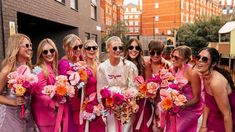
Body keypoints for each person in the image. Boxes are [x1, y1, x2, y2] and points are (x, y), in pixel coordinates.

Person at [97, 36, 138, 132]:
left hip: (126, 107)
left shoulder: (129, 66)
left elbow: (134, 87)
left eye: (120, 48)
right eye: (115, 48)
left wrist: (128, 100)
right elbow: (100, 90)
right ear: (108, 49)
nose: (118, 50)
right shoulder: (102, 67)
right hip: (110, 107)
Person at [0, 33, 36, 132]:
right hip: (11, 117)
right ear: (16, 47)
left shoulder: (29, 67)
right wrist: (12, 102)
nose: (30, 48)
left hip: (27, 116)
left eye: (30, 45)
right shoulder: (8, 69)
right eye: (26, 45)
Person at [164, 45, 202, 132]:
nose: (173, 59)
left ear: (185, 59)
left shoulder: (193, 73)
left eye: (176, 57)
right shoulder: (173, 69)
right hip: (174, 109)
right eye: (172, 56)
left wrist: (181, 106)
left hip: (189, 110)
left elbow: (197, 98)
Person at [196, 47, 235, 132]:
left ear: (213, 64)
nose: (199, 60)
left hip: (227, 123)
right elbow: (208, 102)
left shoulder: (216, 83)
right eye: (198, 57)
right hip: (214, 118)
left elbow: (227, 115)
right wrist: (203, 126)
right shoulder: (205, 75)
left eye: (205, 59)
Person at [58, 34, 85, 132]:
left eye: (80, 46)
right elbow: (64, 85)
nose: (78, 49)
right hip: (70, 103)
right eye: (75, 47)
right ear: (67, 48)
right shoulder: (64, 63)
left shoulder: (81, 58)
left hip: (81, 101)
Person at [31, 38, 58, 132]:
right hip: (45, 116)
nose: (49, 54)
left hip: (51, 115)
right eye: (45, 52)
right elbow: (40, 93)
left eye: (51, 50)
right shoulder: (40, 69)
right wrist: (55, 105)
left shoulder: (52, 67)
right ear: (41, 54)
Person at [144, 40, 171, 131]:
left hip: (162, 102)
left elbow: (171, 84)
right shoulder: (146, 64)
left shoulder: (167, 65)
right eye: (152, 52)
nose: (155, 55)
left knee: (161, 126)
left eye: (158, 52)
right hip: (148, 101)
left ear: (162, 52)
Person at [82, 40, 105, 132]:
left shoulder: (101, 66)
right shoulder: (82, 68)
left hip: (102, 103)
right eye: (88, 48)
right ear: (84, 51)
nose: (92, 50)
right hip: (89, 105)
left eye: (94, 48)